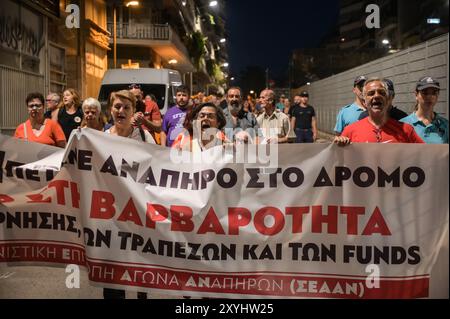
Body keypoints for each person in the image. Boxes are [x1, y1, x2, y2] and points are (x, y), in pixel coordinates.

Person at [334, 78, 424, 145]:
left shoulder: (406, 130)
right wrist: (338, 146)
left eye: (382, 93)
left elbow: (427, 155)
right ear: (364, 101)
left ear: (388, 99)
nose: (376, 96)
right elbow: (336, 163)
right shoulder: (350, 131)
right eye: (371, 93)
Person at [400, 76, 448, 144]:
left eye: (434, 93)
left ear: (437, 96)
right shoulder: (402, 124)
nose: (429, 97)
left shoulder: (445, 125)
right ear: (416, 95)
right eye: (425, 93)